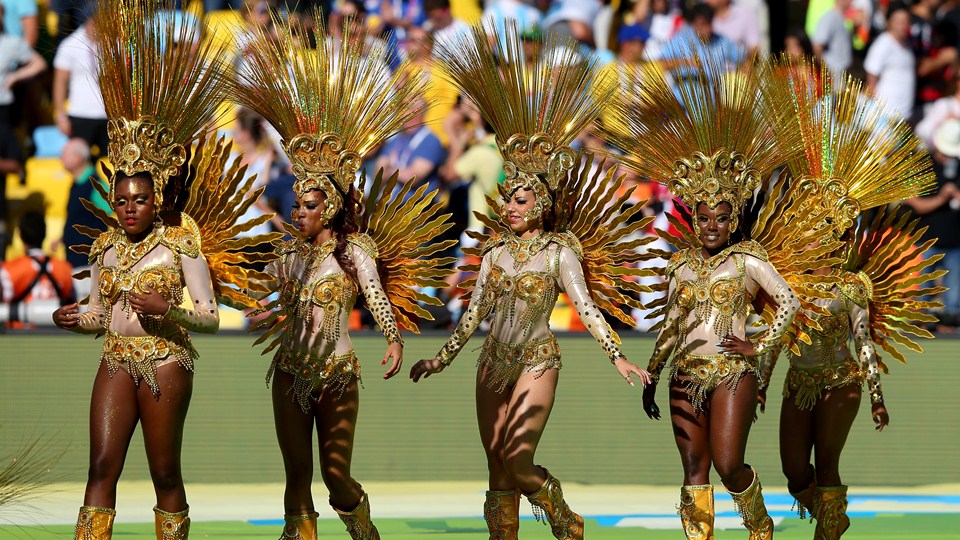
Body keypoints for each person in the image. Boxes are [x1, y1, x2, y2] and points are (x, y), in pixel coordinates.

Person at [411, 25, 656, 540]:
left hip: (537, 361)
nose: (510, 206)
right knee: (498, 474)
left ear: (541, 204)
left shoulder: (559, 250)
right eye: (508, 198)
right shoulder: (495, 251)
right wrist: (441, 359)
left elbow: (586, 307)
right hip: (490, 362)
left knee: (518, 463)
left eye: (521, 200)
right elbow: (474, 313)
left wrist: (617, 355)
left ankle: (561, 512)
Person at [51, 2, 275, 538]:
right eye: (122, 198)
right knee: (101, 466)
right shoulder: (103, 248)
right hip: (114, 358)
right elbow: (100, 316)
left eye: (140, 199)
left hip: (166, 360)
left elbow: (211, 316)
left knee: (163, 471)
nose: (130, 207)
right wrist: (76, 316)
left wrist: (166, 308)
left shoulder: (182, 243)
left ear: (157, 199)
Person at [230, 12, 452, 539]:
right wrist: (253, 303)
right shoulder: (286, 253)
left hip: (338, 372)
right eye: (296, 204)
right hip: (289, 369)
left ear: (327, 208)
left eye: (308, 206)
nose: (298, 212)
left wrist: (394, 340)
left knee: (335, 478)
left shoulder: (356, 252)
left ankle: (362, 525)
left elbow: (375, 298)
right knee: (296, 476)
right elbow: (261, 292)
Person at [601, 54, 807, 539]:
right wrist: (653, 371)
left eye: (721, 217)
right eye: (703, 217)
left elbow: (791, 302)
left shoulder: (748, 260)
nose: (712, 226)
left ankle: (758, 522)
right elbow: (672, 325)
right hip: (683, 373)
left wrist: (759, 345)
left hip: (733, 371)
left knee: (728, 463)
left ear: (734, 219)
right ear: (692, 217)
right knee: (694, 471)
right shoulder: (679, 265)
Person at [767, 61, 939, 539]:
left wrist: (878, 398)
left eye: (835, 234)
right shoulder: (792, 281)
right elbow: (779, 331)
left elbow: (863, 342)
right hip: (796, 381)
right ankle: (833, 518)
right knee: (793, 473)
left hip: (842, 382)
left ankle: (828, 527)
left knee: (826, 471)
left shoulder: (854, 287)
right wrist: (761, 382)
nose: (827, 241)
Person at [1, 211, 74, 327]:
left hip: (18, 338)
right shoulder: (65, 268)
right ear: (45, 235)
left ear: (20, 236)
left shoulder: (8, 271)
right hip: (58, 338)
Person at [52, 17, 109, 159]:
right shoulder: (70, 44)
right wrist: (60, 115)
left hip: (108, 114)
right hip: (80, 114)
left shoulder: (114, 42)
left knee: (112, 163)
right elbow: (60, 82)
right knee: (80, 163)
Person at [59, 137, 109, 268]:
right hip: (74, 260)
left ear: (78, 157)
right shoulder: (76, 184)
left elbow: (113, 213)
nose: (60, 158)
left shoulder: (94, 185)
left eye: (64, 154)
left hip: (88, 264)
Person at [864, 4, 916, 121]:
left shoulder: (907, 44)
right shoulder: (883, 44)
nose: (902, 26)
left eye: (905, 22)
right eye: (898, 22)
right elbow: (871, 79)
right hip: (885, 116)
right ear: (889, 22)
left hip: (903, 116)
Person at [811, 0, 853, 80]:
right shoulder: (830, 17)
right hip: (833, 73)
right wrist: (825, 70)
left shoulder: (842, 17)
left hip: (842, 72)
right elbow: (817, 46)